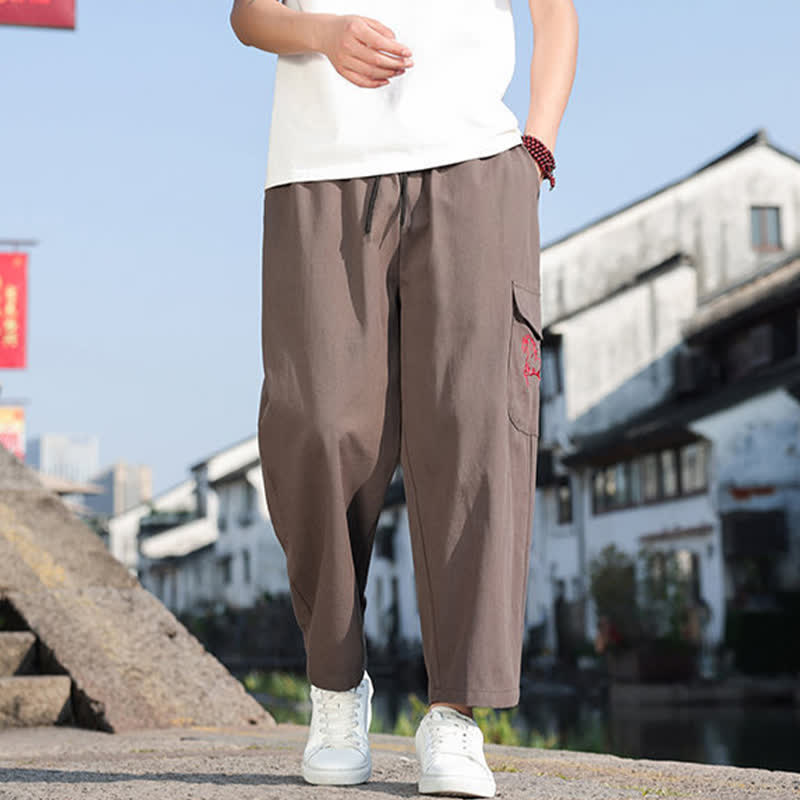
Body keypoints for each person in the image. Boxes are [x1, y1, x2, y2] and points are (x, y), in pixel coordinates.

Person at [229, 0, 577, 794]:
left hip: (476, 167)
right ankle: (335, 688)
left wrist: (536, 148)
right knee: (315, 424)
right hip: (318, 168)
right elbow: (249, 14)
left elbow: (555, 13)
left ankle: (455, 714)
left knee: (475, 430)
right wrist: (324, 34)